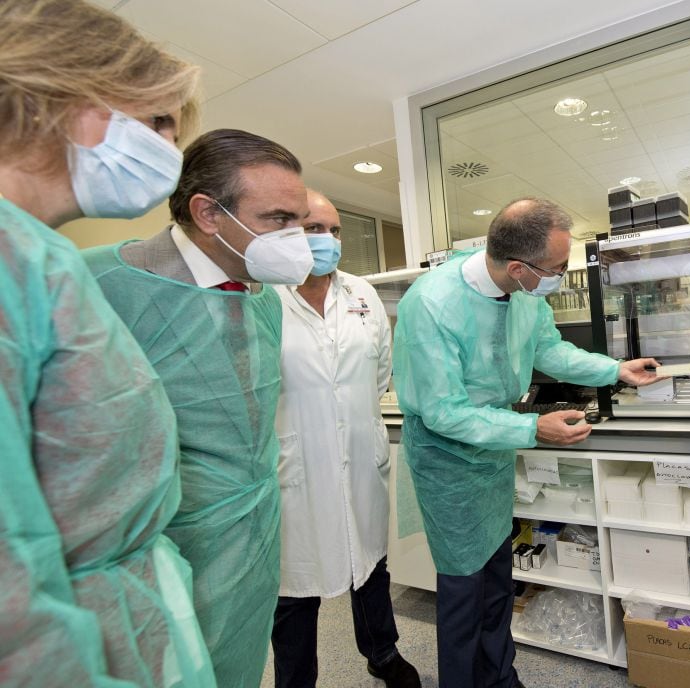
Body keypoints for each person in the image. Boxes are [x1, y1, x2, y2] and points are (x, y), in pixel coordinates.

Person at [0, 0, 216, 685]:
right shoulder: (13, 261)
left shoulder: (39, 257)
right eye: (154, 122)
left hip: (122, 607)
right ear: (62, 91)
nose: (167, 152)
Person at [393, 197, 659, 688]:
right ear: (518, 266)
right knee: (462, 592)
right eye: (557, 268)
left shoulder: (524, 292)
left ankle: (499, 678)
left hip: (492, 449)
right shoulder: (431, 304)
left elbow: (548, 349)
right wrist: (533, 429)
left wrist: (613, 369)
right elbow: (444, 412)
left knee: (497, 580)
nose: (562, 275)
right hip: (448, 461)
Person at [83, 129, 314, 688]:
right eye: (278, 218)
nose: (297, 239)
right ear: (209, 213)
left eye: (300, 221)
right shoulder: (101, 283)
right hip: (157, 546)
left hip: (253, 533)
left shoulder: (261, 298)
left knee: (238, 662)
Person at [271, 189, 421, 688]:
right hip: (296, 464)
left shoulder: (362, 293)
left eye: (334, 231)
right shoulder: (263, 298)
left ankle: (382, 653)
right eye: (315, 229)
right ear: (285, 232)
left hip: (359, 456)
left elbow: (380, 370)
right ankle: (296, 681)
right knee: (294, 589)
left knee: (370, 566)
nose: (328, 240)